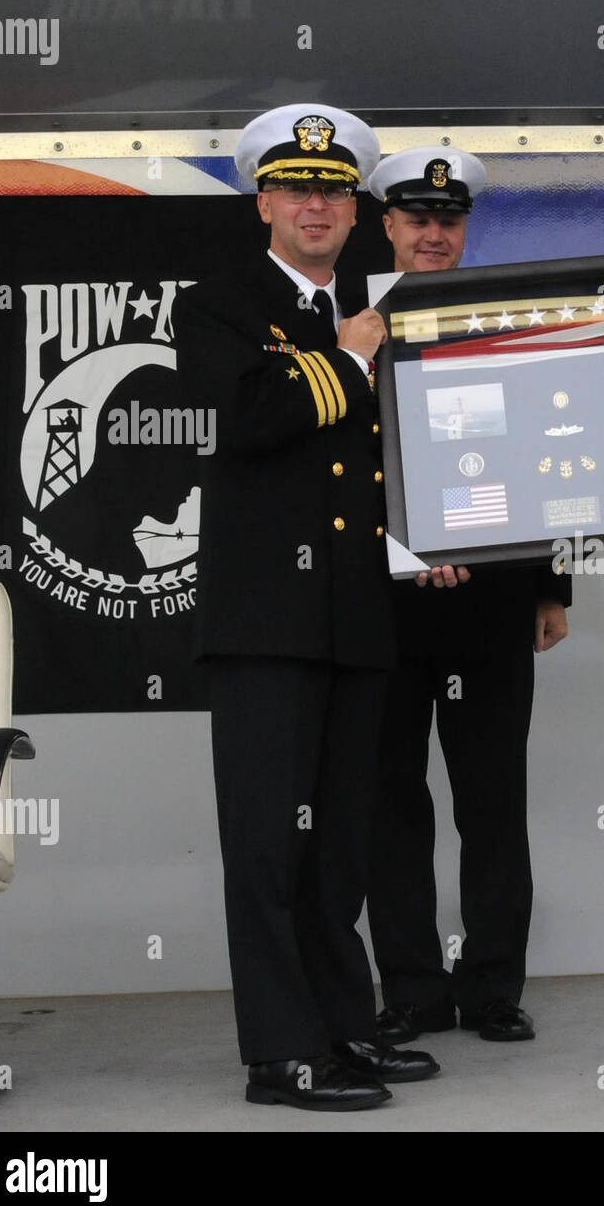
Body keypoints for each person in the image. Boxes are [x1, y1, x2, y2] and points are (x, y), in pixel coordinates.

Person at [176, 104, 442, 1110]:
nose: (317, 205)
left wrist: (438, 541)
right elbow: (247, 418)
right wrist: (348, 356)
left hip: (358, 617)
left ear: (355, 208)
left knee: (342, 845)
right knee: (270, 847)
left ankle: (343, 1027)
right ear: (262, 203)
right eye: (296, 189)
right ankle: (280, 1053)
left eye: (333, 190)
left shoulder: (380, 306)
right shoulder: (220, 304)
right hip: (265, 625)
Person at [364, 147, 571, 1044]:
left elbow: (549, 450)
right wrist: (399, 548)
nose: (434, 233)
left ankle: (491, 988)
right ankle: (411, 989)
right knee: (390, 808)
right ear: (388, 226)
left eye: (448, 220)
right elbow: (335, 469)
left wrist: (553, 585)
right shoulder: (347, 325)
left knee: (492, 803)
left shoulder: (506, 320)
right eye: (417, 218)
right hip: (380, 607)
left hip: (492, 604)